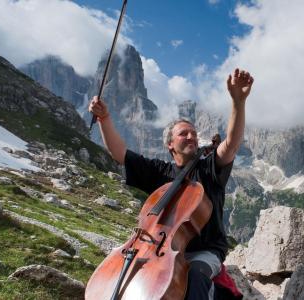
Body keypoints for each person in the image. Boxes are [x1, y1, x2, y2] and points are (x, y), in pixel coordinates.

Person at [88, 68, 253, 300]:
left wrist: (238, 102)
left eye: (194, 134)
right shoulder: (160, 171)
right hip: (160, 250)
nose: (191, 137)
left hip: (203, 253)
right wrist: (104, 119)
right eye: (183, 134)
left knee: (193, 277)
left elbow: (231, 145)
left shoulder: (209, 168)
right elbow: (119, 153)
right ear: (170, 145)